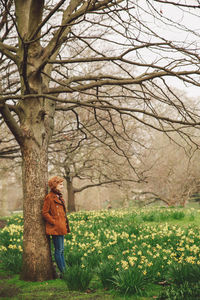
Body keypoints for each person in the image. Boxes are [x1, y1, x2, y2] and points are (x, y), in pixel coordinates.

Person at [42, 176, 70, 275]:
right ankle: (63, 272)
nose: (62, 186)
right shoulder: (49, 197)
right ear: (55, 185)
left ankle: (65, 271)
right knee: (58, 250)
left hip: (61, 227)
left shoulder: (59, 196)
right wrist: (54, 222)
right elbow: (45, 213)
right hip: (55, 228)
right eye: (60, 184)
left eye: (62, 184)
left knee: (61, 250)